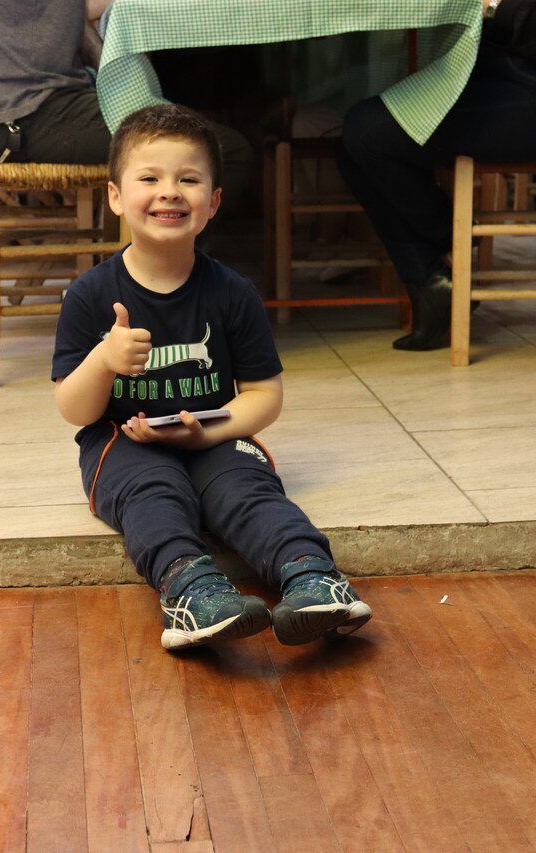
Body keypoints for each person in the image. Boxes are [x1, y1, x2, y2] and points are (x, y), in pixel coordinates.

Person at [52, 105, 371, 650]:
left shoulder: (232, 292)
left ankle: (313, 578)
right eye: (149, 178)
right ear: (115, 196)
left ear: (214, 202)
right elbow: (74, 410)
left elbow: (264, 395)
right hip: (120, 441)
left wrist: (209, 435)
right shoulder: (89, 295)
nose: (169, 192)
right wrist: (103, 359)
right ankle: (192, 594)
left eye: (189, 179)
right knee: (153, 490)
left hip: (212, 434)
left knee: (246, 486)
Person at [337, 0, 536, 351]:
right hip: (506, 76)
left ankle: (444, 238)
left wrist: (493, 6)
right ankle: (431, 279)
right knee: (352, 142)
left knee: (367, 133)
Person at [0, 0, 251, 206]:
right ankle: (161, 267)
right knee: (223, 151)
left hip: (35, 109)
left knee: (209, 143)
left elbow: (82, 11)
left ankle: (152, 262)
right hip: (25, 120)